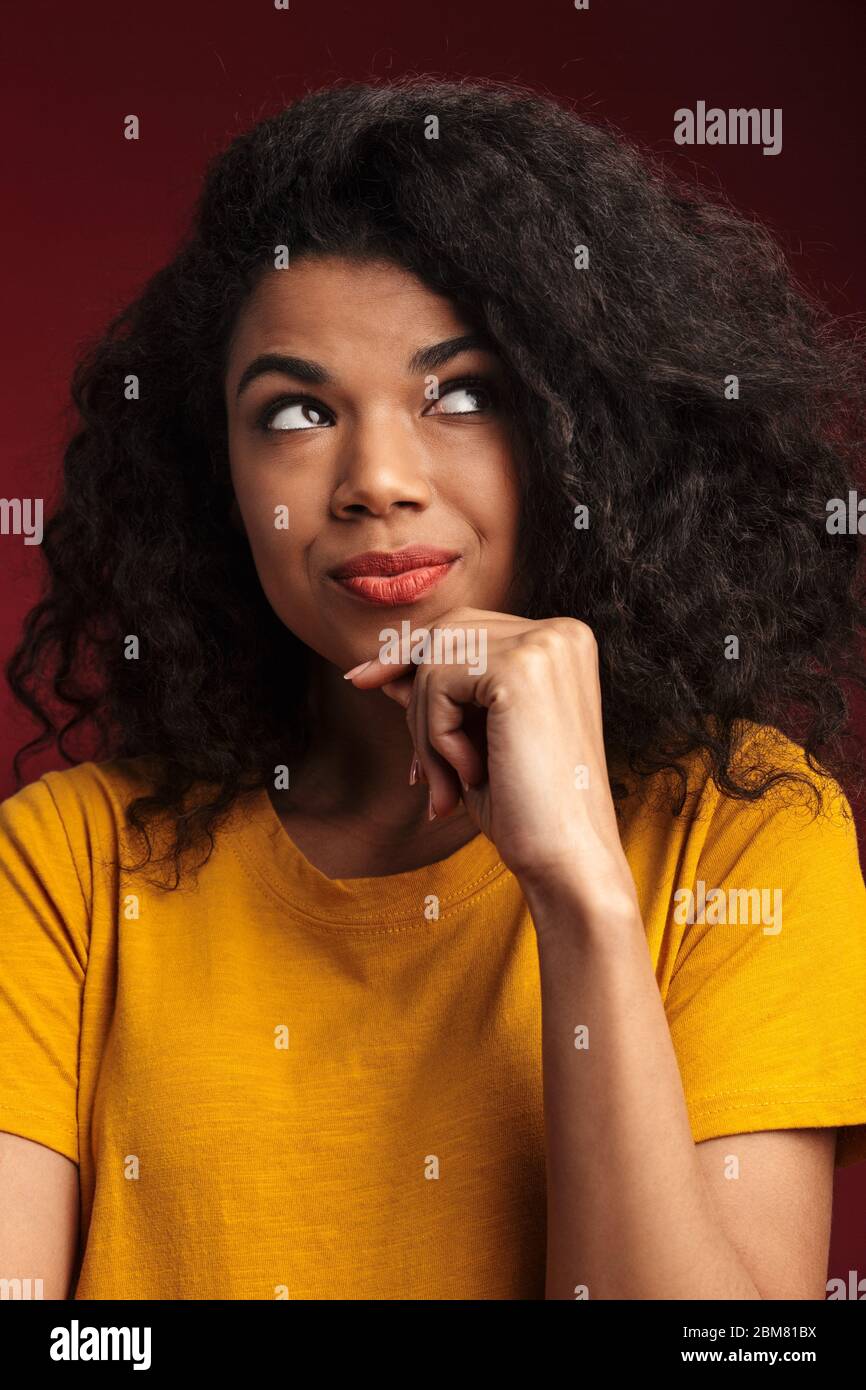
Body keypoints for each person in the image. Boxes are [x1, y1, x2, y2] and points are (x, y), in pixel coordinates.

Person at [2, 75, 866, 1302]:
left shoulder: (747, 834)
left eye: (458, 394)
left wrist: (578, 894)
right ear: (220, 480)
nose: (377, 480)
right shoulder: (65, 868)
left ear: (584, 430)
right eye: (296, 411)